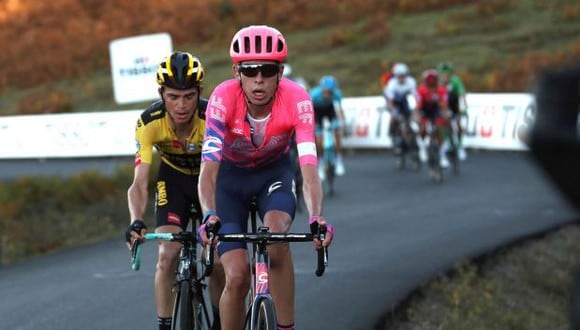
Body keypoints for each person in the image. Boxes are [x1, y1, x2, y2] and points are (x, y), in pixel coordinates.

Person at [197, 25, 335, 330]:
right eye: (250, 70)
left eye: (268, 70)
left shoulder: (298, 99)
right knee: (236, 277)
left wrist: (317, 218)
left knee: (276, 239)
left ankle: (286, 326)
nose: (259, 79)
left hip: (273, 175)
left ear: (280, 72)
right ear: (237, 72)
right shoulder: (222, 98)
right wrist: (208, 214)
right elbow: (208, 168)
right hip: (229, 182)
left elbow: (309, 168)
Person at [124, 51, 222, 330]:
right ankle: (165, 325)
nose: (181, 105)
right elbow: (139, 182)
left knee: (217, 257)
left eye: (189, 96)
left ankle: (221, 320)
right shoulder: (149, 122)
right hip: (174, 181)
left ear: (200, 93)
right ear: (161, 93)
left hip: (211, 181)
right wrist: (136, 220)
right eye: (173, 96)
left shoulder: (213, 116)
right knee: (167, 255)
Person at [309, 75, 346, 179]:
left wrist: (342, 122)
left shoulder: (337, 94)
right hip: (317, 112)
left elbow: (340, 109)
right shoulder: (314, 94)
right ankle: (320, 164)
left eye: (330, 92)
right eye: (326, 92)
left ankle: (339, 159)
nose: (327, 95)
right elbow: (309, 111)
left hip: (330, 111)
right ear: (322, 89)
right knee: (319, 141)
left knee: (337, 133)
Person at [416, 69, 451, 167]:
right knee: (422, 128)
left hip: (436, 110)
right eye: (429, 83)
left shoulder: (441, 89)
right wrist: (418, 116)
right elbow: (418, 105)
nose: (431, 85)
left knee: (440, 129)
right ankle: (422, 149)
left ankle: (442, 156)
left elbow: (444, 104)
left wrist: (446, 114)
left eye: (433, 82)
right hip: (425, 110)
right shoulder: (421, 90)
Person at [383, 62, 418, 157]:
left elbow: (416, 96)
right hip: (393, 102)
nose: (402, 78)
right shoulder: (392, 84)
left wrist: (417, 107)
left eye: (403, 76)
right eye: (399, 76)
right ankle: (392, 132)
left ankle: (410, 138)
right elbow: (390, 100)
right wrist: (393, 110)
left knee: (408, 118)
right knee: (394, 117)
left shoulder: (411, 81)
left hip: (403, 101)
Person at [438, 61, 468, 160]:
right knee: (442, 125)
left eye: (447, 74)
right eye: (443, 74)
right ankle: (445, 143)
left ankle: (460, 146)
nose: (445, 77)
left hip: (454, 105)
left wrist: (463, 106)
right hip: (442, 106)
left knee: (458, 124)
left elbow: (461, 94)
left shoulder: (455, 81)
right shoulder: (437, 84)